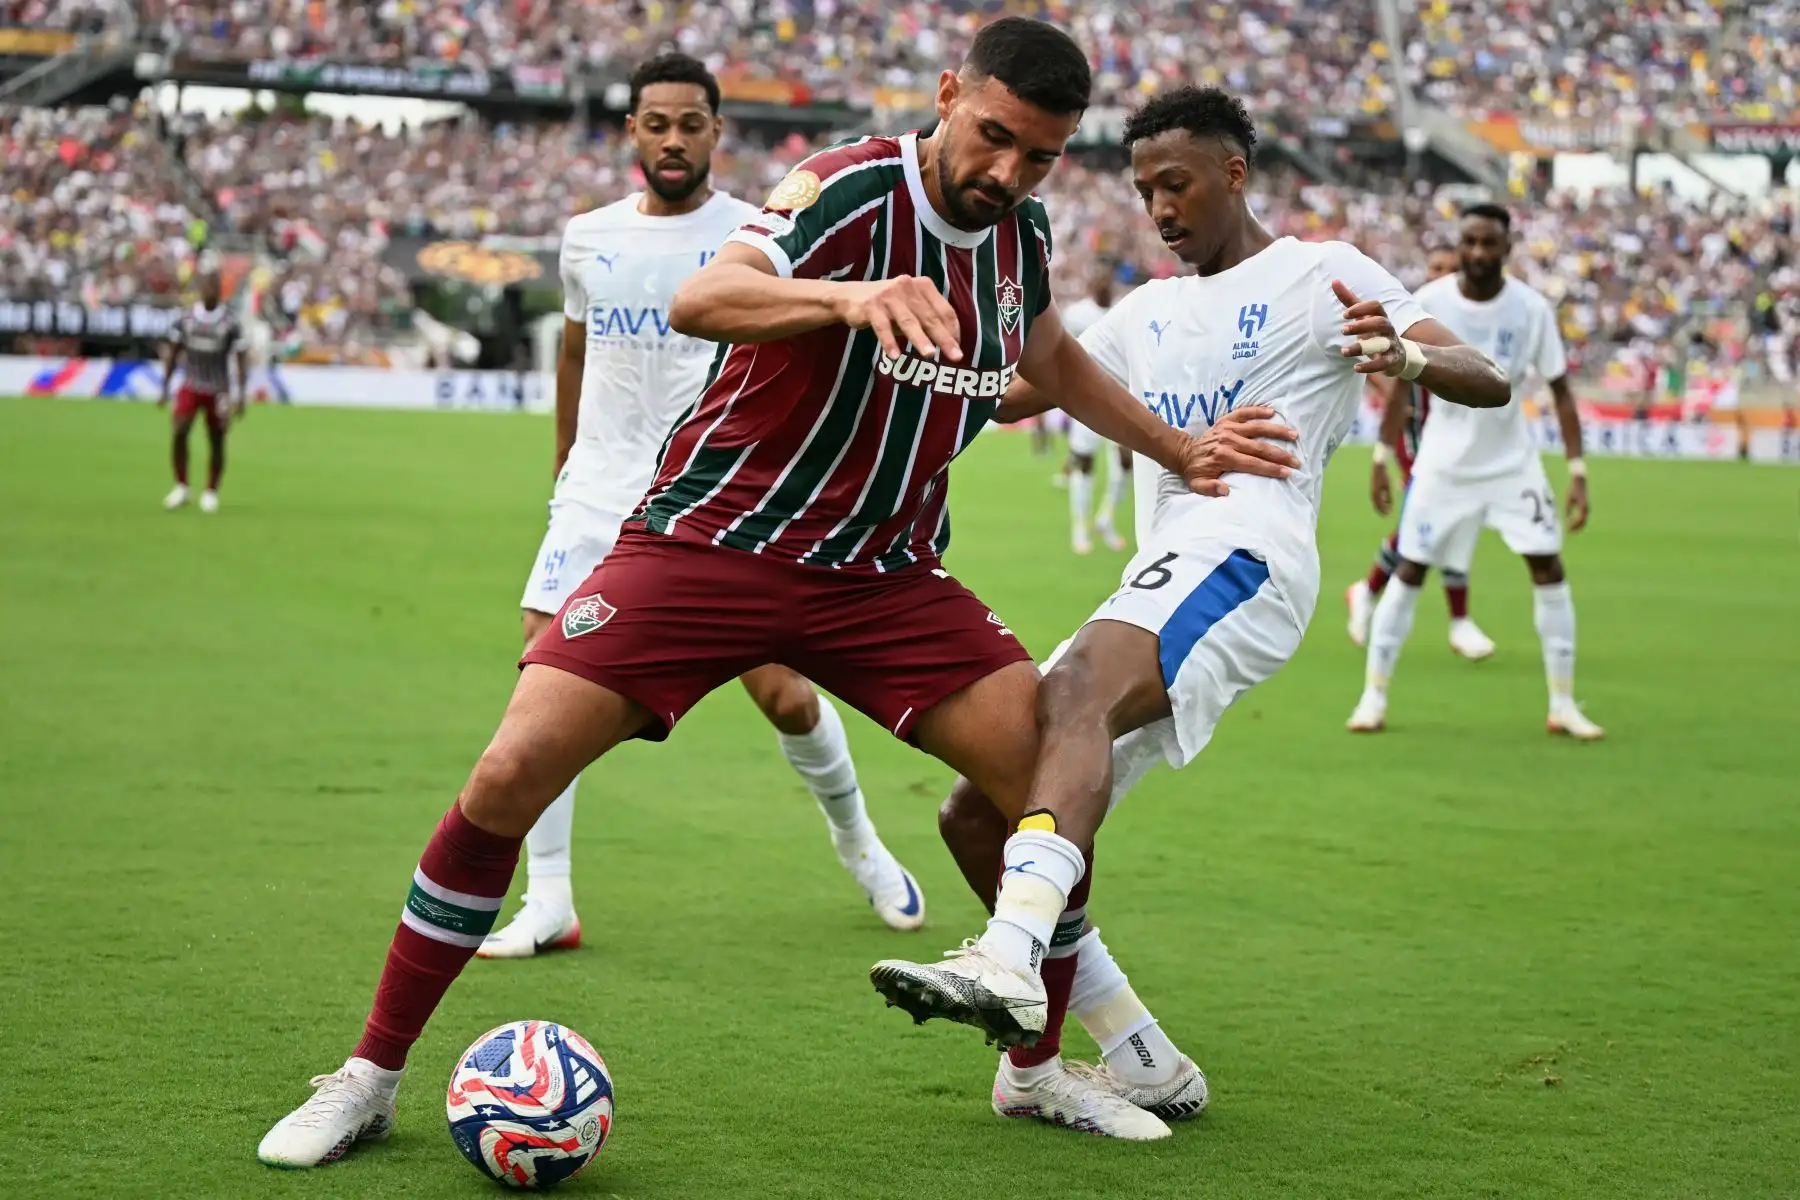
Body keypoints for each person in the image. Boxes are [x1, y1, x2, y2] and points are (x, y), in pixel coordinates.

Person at [257, 21, 1302, 1167]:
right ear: (949, 96)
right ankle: (368, 1075)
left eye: (1040, 156)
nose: (1007, 173)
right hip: (709, 545)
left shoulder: (1022, 232)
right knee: (507, 774)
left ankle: (1037, 1069)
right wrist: (848, 301)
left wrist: (1176, 447)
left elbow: (1048, 356)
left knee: (1041, 778)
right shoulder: (851, 188)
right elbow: (706, 299)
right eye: (995, 137)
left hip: (884, 576)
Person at [870, 86, 1510, 1052]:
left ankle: (1008, 959)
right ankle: (1141, 1053)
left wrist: (1401, 357)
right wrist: (896, 318)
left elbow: (1486, 378)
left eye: (1177, 185)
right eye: (1145, 192)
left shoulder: (1320, 273)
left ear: (1234, 173)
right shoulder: (1146, 312)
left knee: (1079, 689)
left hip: (1250, 555)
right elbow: (1007, 397)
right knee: (977, 812)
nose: (1162, 210)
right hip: (1164, 568)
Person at [480, 54, 926, 961]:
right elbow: (577, 350)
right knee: (542, 669)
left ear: (718, 132)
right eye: (656, 123)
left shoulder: (758, 236)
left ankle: (862, 846)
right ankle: (550, 898)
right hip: (600, 488)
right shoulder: (587, 237)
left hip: (714, 491)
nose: (674, 139)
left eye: (691, 123)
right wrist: (566, 463)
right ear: (632, 132)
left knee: (784, 695)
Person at [1347, 204, 1602, 739]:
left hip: (1512, 462)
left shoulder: (1531, 310)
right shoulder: (1430, 304)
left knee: (1548, 568)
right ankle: (1372, 697)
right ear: (1459, 246)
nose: (1480, 253)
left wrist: (1577, 469)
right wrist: (1379, 456)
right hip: (1443, 463)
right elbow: (1401, 383)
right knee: (1410, 570)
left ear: (1508, 248)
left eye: (1490, 244)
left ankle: (1562, 704)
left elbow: (1560, 392)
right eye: (1471, 242)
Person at [1346, 242, 1494, 659]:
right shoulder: (1408, 315)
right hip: (1415, 431)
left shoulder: (1463, 317)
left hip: (1454, 437)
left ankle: (1371, 591)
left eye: (1450, 268)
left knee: (1449, 515)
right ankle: (1448, 617)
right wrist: (1392, 397)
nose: (1442, 274)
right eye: (1435, 267)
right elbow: (1367, 359)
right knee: (1427, 513)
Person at [158, 271, 246, 514]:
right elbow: (173, 353)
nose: (210, 292)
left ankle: (210, 491)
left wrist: (240, 395)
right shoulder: (186, 318)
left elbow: (241, 358)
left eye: (214, 288)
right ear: (200, 289)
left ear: (219, 291)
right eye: (206, 287)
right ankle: (181, 486)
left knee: (216, 439)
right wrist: (164, 386)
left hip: (218, 389)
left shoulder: (231, 322)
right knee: (180, 429)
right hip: (191, 384)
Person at [1062, 263, 1134, 554]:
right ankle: (1079, 528)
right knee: (1085, 463)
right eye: (1099, 282)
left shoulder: (1124, 310)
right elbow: (1063, 352)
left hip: (1120, 398)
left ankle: (1106, 518)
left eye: (1108, 282)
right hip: (1087, 400)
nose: (1104, 287)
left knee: (1126, 464)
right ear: (1093, 287)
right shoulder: (1077, 314)